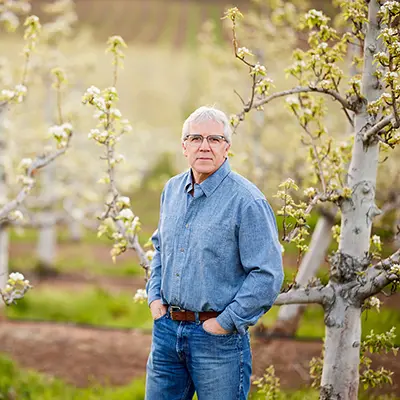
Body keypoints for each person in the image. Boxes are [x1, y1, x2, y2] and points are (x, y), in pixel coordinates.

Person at [145, 106, 284, 400]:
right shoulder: (171, 190)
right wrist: (155, 298)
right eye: (195, 138)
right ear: (184, 146)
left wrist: (224, 323)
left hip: (217, 342)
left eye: (214, 139)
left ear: (227, 147)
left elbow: (267, 275)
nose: (204, 146)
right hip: (167, 333)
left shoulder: (247, 202)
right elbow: (160, 249)